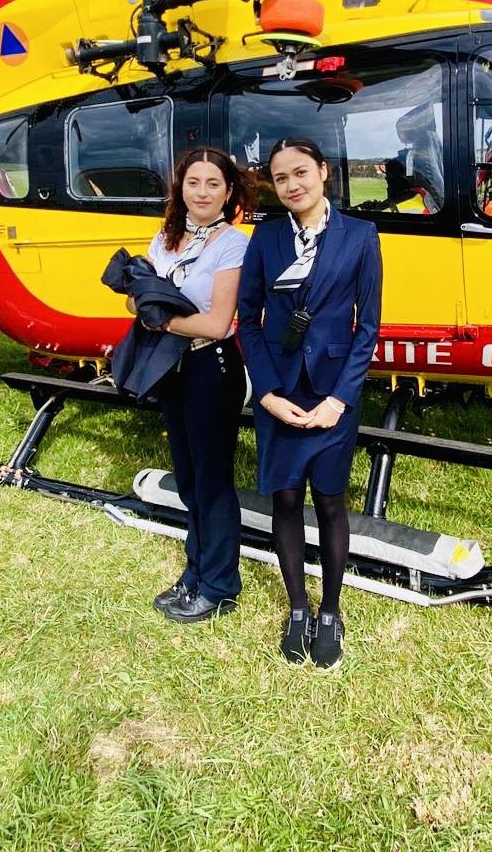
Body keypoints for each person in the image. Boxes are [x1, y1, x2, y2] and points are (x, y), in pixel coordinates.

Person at [237, 137, 382, 668]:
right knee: (286, 501)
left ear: (322, 172)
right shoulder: (266, 235)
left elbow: (367, 328)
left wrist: (340, 401)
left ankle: (331, 610)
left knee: (329, 502)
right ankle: (298, 606)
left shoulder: (360, 236)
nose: (292, 185)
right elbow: (247, 321)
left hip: (332, 394)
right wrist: (268, 393)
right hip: (280, 389)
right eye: (280, 178)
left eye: (301, 173)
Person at [136, 147, 251, 624]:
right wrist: (152, 313)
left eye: (212, 184)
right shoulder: (163, 240)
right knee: (188, 479)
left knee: (212, 481)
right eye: (193, 182)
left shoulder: (233, 244)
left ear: (228, 192)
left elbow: (217, 323)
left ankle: (219, 584)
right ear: (179, 188)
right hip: (170, 370)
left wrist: (161, 320)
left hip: (211, 370)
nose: (201, 192)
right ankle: (195, 571)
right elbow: (135, 302)